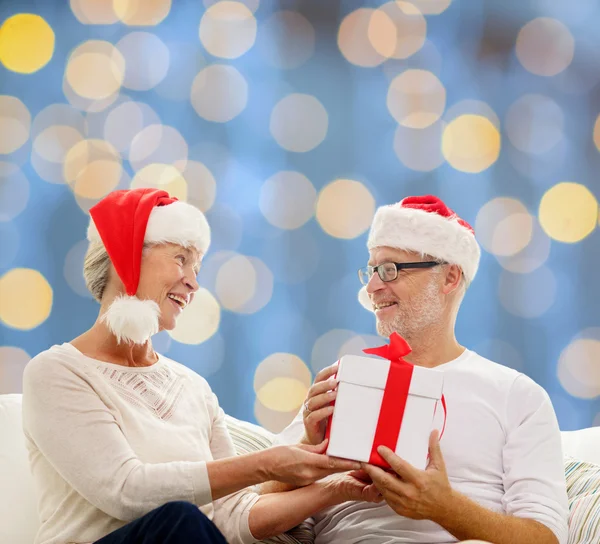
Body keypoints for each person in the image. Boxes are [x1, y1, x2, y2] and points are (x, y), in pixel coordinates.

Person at [22, 188, 382, 544]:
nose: (194, 283)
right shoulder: (57, 372)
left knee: (189, 523)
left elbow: (230, 517)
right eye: (181, 259)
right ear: (126, 255)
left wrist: (340, 489)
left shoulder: (193, 387)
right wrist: (266, 464)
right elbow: (126, 492)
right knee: (180, 518)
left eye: (197, 267)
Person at [268, 195, 569, 544]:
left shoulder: (516, 395)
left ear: (450, 278)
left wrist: (445, 508)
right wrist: (310, 443)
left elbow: (546, 538)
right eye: (372, 270)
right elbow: (253, 509)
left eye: (390, 270)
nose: (371, 287)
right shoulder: (343, 381)